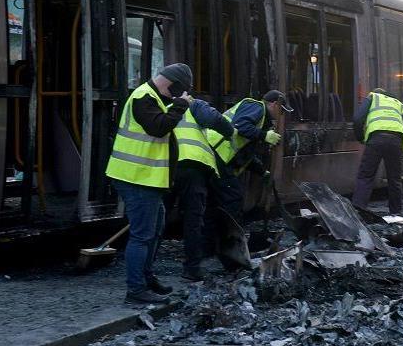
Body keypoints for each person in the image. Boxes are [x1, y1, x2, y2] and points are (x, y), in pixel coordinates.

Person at [105, 63, 193, 304]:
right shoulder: (143, 97)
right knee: (142, 235)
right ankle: (135, 290)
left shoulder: (152, 96)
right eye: (177, 91)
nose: (176, 96)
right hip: (135, 177)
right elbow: (159, 128)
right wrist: (180, 106)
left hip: (147, 178)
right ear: (171, 84)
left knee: (154, 231)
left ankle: (146, 278)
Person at [172, 98, 235, 282]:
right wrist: (230, 131)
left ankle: (146, 271)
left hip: (165, 166)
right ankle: (192, 269)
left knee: (158, 218)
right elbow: (214, 119)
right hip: (193, 166)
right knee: (194, 219)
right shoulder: (194, 104)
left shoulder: (162, 104)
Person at [205, 90, 291, 223]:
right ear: (274, 104)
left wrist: (262, 172)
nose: (281, 115)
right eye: (282, 110)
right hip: (216, 153)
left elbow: (245, 154)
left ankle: (216, 238)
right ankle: (230, 237)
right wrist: (264, 135)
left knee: (217, 200)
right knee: (233, 197)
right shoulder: (256, 107)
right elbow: (240, 126)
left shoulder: (260, 119)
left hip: (217, 155)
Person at [351, 88, 403, 214]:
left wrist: (361, 138)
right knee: (395, 179)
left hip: (376, 139)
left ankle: (358, 211)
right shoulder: (398, 104)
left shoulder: (372, 97)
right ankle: (395, 214)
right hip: (396, 141)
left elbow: (357, 119)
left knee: (366, 176)